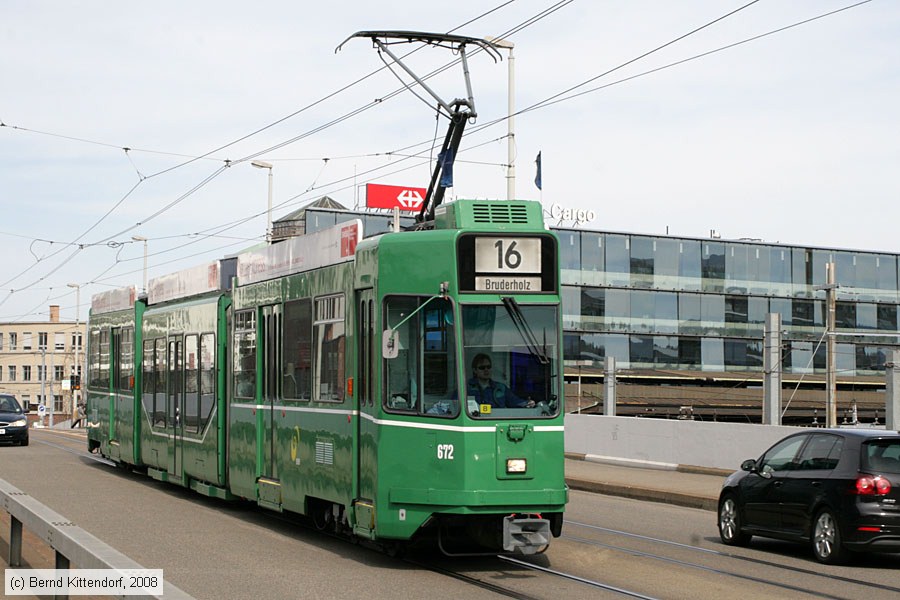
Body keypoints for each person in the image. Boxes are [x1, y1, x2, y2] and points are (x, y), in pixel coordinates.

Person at [466, 353, 535, 409]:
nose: (486, 370)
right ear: (475, 370)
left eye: (488, 367)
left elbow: (515, 402)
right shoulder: (466, 389)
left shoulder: (501, 388)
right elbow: (456, 405)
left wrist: (527, 403)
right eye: (482, 368)